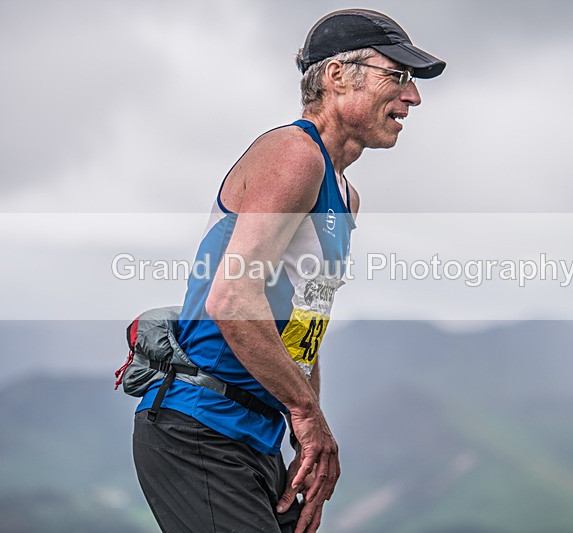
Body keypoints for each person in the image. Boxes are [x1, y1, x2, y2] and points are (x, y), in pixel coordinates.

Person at [132, 8, 445, 533]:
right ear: (337, 75)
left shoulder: (346, 197)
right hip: (197, 425)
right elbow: (231, 299)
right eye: (397, 76)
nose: (412, 97)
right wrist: (308, 416)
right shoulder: (294, 155)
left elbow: (306, 322)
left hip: (251, 432)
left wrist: (305, 440)